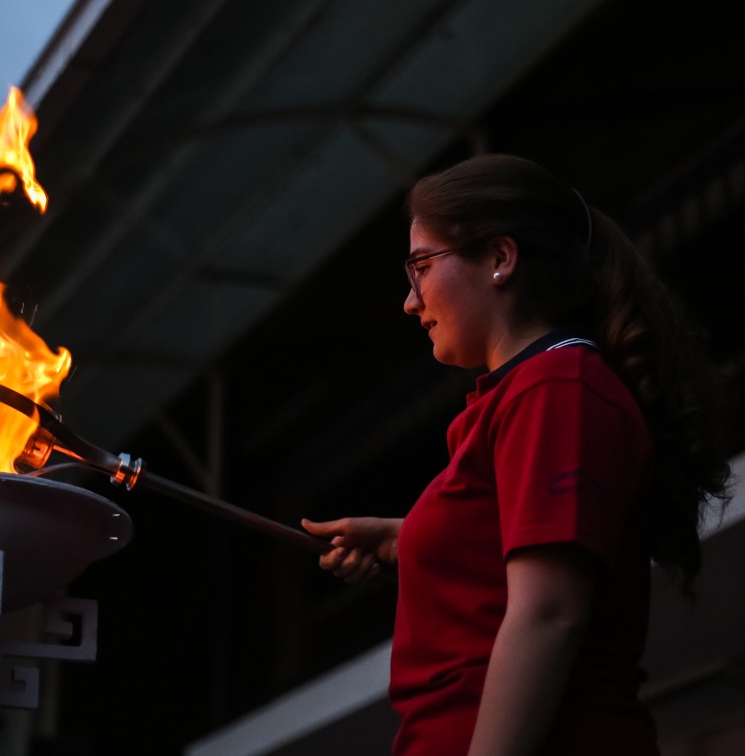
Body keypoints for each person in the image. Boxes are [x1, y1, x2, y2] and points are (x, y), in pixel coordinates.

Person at [301, 153, 732, 756]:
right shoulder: (532, 393)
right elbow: (503, 552)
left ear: (501, 258)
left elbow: (550, 614)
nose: (409, 300)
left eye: (421, 266)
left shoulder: (556, 388)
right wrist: (408, 539)